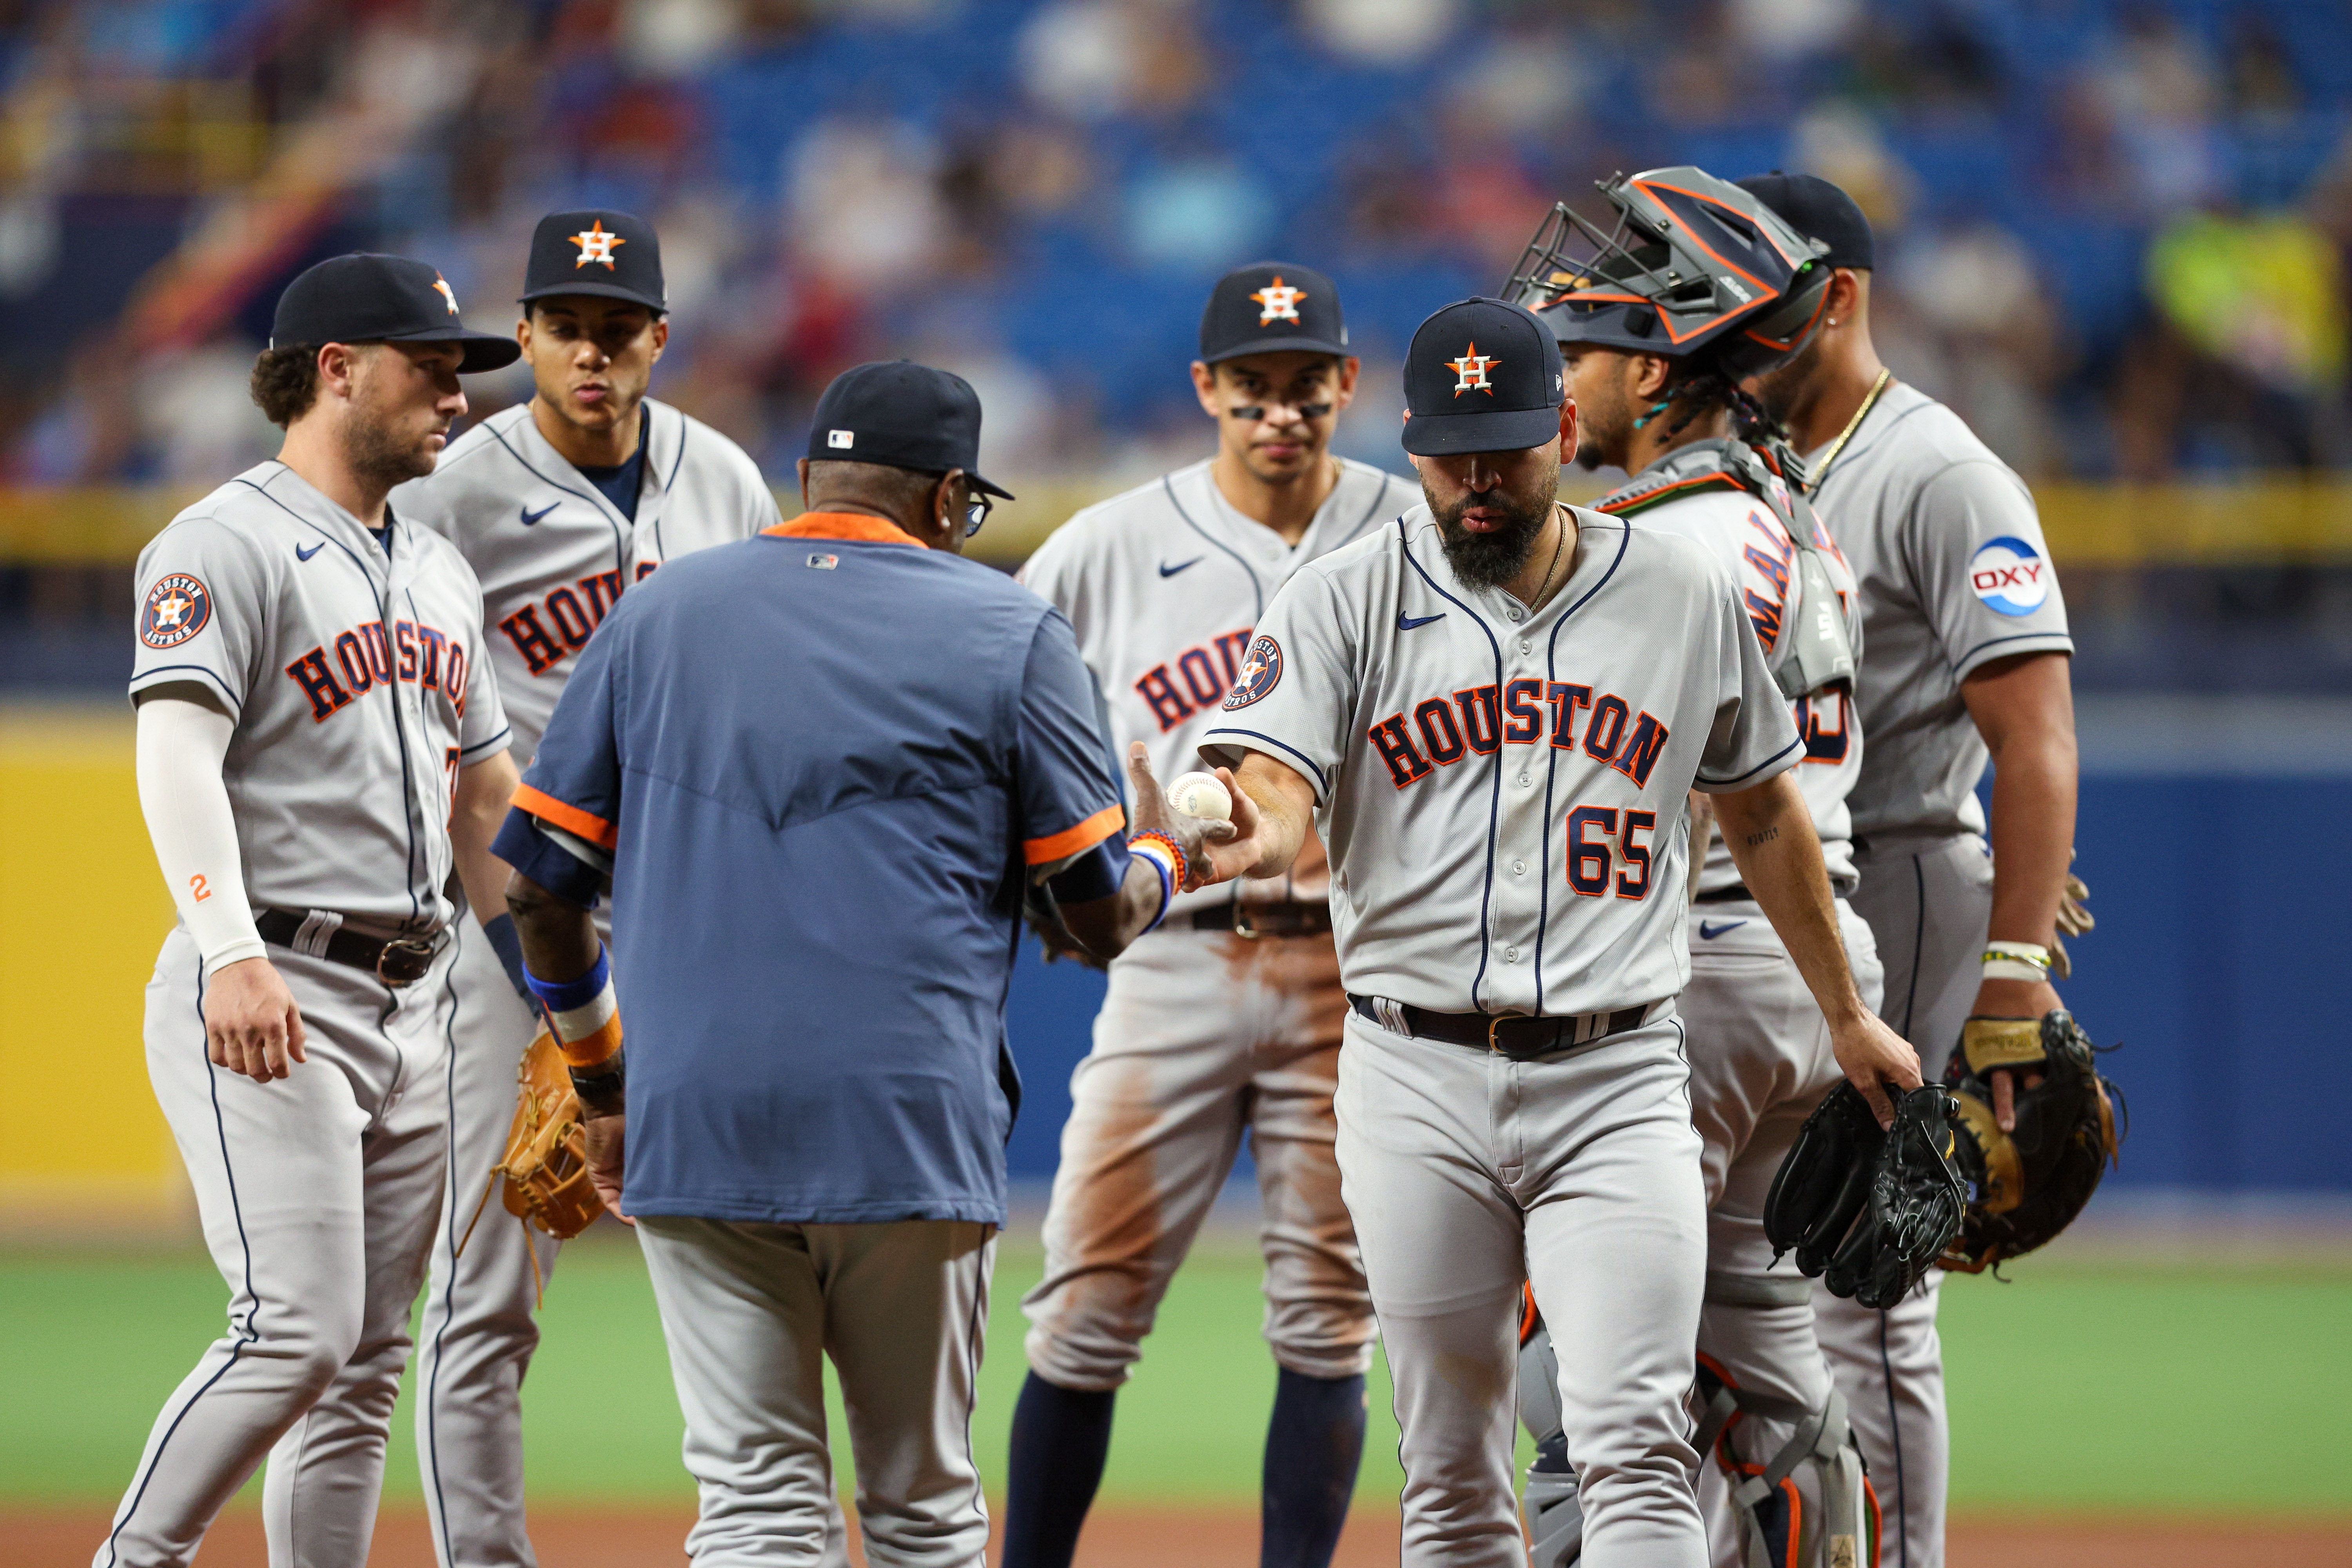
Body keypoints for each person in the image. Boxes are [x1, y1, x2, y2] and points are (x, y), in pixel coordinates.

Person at [1194, 295, 1921, 1568]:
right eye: (1452, 451)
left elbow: (1761, 812)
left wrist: (1848, 1017)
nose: (1478, 480)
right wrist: (1248, 832)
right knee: (1448, 1464)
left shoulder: (1677, 589)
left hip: (1620, 1071)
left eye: (1510, 447)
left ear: (1568, 428)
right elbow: (1273, 786)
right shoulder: (1342, 598)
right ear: (1408, 440)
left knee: (1635, 1441)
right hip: (1410, 1074)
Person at [492, 360, 1238, 1567]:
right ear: (949, 502)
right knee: (920, 1506)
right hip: (907, 1122)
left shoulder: (659, 613)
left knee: (753, 1505)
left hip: (695, 1113)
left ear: (804, 482)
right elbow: (1095, 919)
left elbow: (540, 890)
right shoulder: (1009, 629)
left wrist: (604, 1085)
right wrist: (1174, 848)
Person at [97, 254, 524, 1568]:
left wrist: (564, 996)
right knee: (296, 1327)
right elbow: (173, 752)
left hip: (418, 996)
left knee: (363, 1365)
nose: (458, 396)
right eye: (431, 367)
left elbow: (486, 806)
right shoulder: (219, 541)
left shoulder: (442, 571)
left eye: (461, 371)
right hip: (270, 981)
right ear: (335, 371)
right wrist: (227, 951)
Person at [1005, 261, 1417, 1568]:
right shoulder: (1107, 546)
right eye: (1255, 386)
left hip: (1357, 969)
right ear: (1208, 390)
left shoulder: (1414, 534)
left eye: (1307, 385)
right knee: (1083, 1308)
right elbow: (1001, 717)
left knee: (1327, 1316)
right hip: (1171, 960)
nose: (1281, 411)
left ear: (1349, 385)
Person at [391, 207, 781, 1568]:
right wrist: (542, 985)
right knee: (490, 1289)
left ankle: (752, 1538)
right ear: (530, 338)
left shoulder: (728, 481)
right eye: (565, 328)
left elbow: (769, 691)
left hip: (693, 917)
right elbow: (430, 750)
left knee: (736, 1253)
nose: (592, 353)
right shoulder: (450, 494)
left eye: (619, 330)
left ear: (661, 339)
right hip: (514, 920)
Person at [1510, 167, 1884, 1568]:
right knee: (1768, 1375)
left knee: (1588, 1384)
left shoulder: (1668, 536)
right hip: (1800, 961)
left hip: (1700, 970)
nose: (1566, 369)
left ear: (1666, 359)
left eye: (1589, 345)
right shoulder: (1776, 495)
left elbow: (1612, 779)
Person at [1735, 172, 2082, 1568]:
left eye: (1756, 290)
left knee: (1869, 1277)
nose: (1729, 322)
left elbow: (2037, 731)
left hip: (1896, 867)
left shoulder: (1939, 469)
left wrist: (2012, 977)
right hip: (1756, 887)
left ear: (1837, 296)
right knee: (1747, 1268)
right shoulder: (1748, 456)